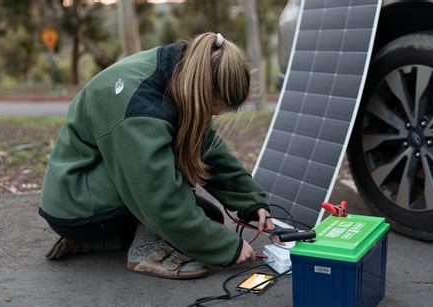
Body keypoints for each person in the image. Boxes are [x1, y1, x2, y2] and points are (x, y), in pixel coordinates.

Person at [39, 32, 274, 279]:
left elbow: (209, 149)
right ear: (204, 92)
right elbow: (160, 198)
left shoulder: (186, 70)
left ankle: (103, 241)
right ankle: (144, 250)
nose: (211, 119)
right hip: (73, 202)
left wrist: (251, 201)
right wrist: (227, 248)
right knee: (181, 207)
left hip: (99, 186)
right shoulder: (141, 111)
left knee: (209, 218)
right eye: (212, 112)